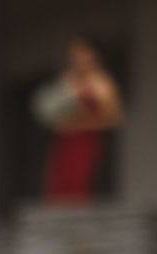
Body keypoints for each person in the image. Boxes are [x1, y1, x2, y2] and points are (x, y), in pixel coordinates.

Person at [38, 35, 124, 204]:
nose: (78, 57)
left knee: (82, 185)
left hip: (87, 140)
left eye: (82, 52)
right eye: (75, 53)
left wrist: (86, 121)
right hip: (66, 140)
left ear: (93, 54)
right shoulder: (68, 80)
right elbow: (52, 112)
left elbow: (114, 117)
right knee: (61, 187)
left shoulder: (102, 82)